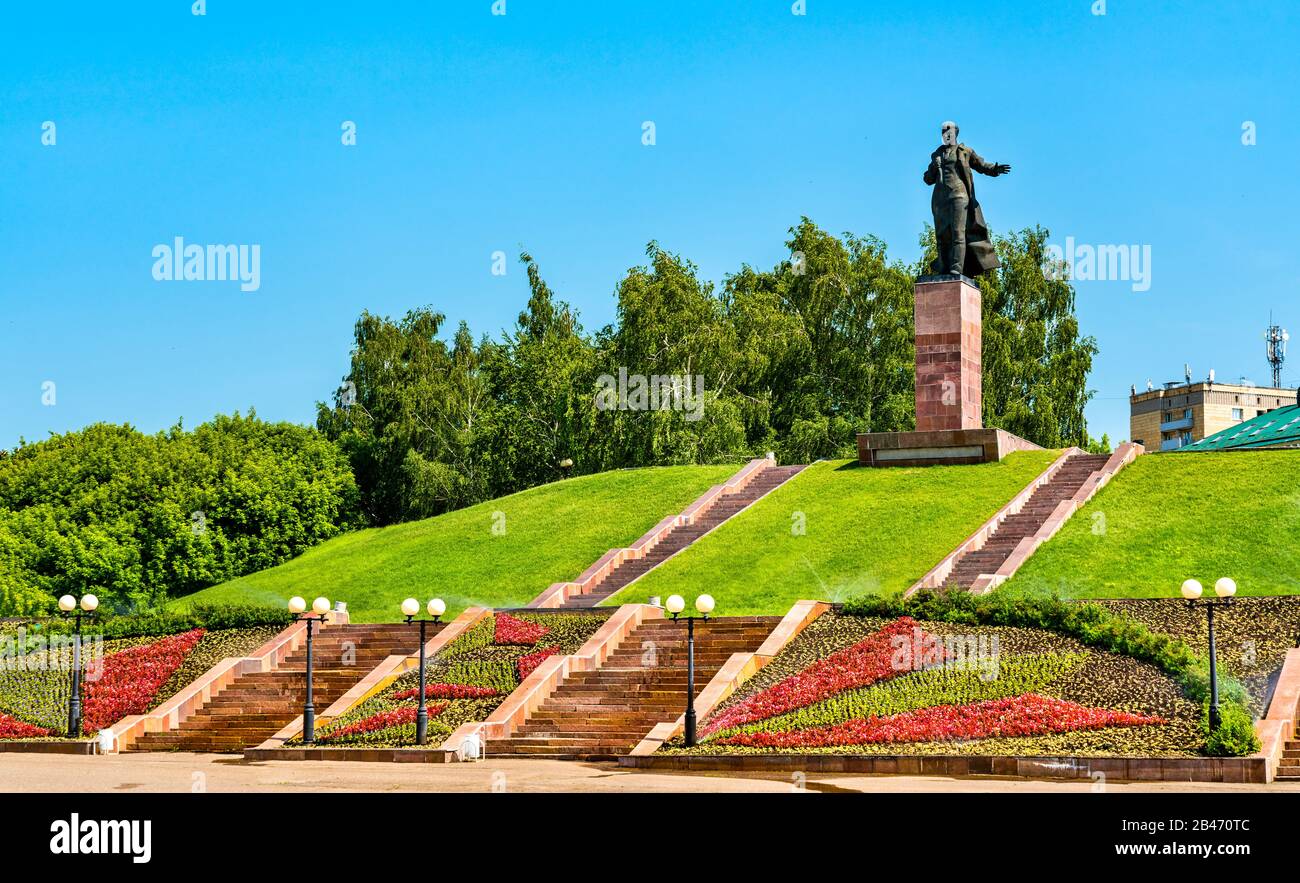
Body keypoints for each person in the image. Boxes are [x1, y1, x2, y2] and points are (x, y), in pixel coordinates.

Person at [924, 121, 1011, 277]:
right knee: (942, 235)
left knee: (958, 232)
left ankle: (956, 269)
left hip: (959, 195)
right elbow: (928, 179)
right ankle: (944, 268)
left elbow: (982, 165)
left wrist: (994, 169)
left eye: (949, 130)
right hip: (939, 199)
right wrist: (933, 168)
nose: (946, 134)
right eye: (943, 131)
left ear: (956, 132)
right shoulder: (936, 154)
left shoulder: (965, 151)